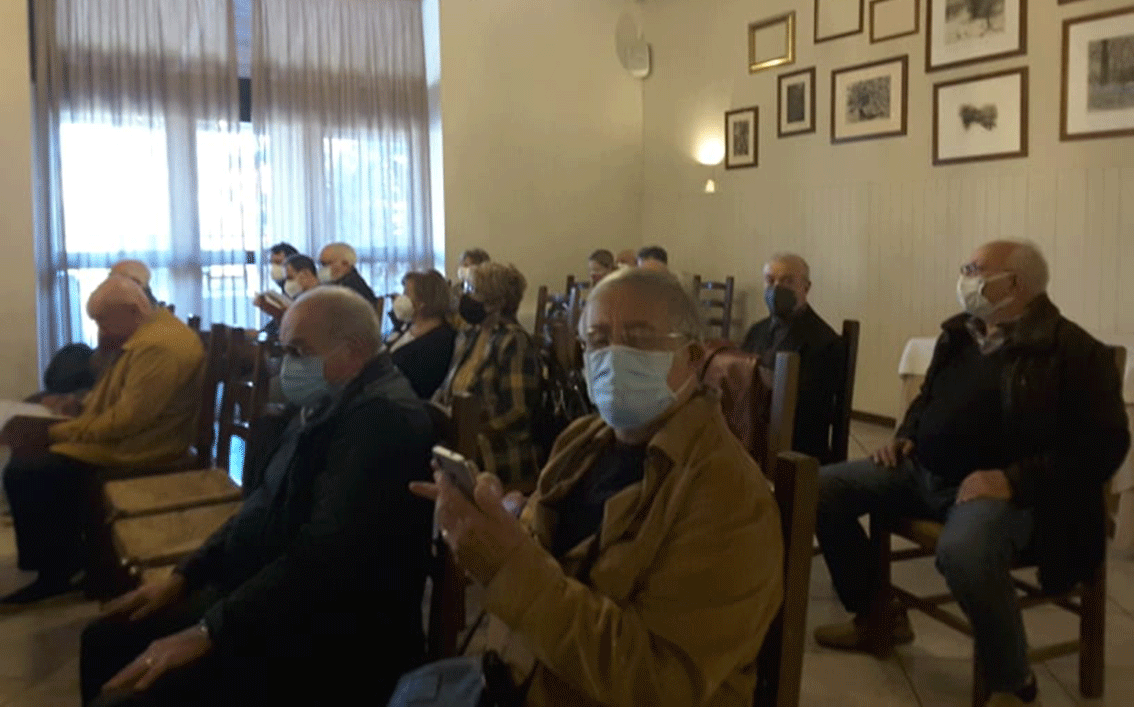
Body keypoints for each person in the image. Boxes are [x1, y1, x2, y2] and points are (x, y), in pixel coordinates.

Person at [413, 267, 784, 706]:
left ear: (691, 356)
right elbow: (543, 549)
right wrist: (497, 520)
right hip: (520, 677)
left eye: (639, 339)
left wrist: (505, 565)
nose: (614, 356)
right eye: (598, 340)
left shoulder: (728, 495)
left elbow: (660, 683)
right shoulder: (583, 440)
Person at [79, 287, 434, 707]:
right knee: (105, 636)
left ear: (354, 350)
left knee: (126, 693)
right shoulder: (330, 398)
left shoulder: (379, 419)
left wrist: (210, 629)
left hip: (332, 635)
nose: (286, 365)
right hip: (272, 593)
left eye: (298, 351)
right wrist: (185, 575)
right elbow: (261, 503)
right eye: (285, 351)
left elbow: (327, 558)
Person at [813, 240, 1129, 707]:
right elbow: (928, 398)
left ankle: (1013, 684)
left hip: (1008, 493)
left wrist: (1014, 480)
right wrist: (906, 435)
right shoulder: (959, 334)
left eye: (975, 269)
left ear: (1015, 283)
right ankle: (877, 615)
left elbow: (1105, 445)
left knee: (965, 552)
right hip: (923, 470)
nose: (964, 278)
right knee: (819, 489)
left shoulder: (1074, 351)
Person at [2, 277, 204, 605]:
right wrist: (78, 405)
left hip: (146, 446)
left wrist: (54, 432)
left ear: (133, 310)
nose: (101, 331)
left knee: (29, 471)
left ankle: (56, 573)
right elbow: (117, 397)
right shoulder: (147, 331)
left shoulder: (159, 347)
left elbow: (126, 421)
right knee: (28, 458)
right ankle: (66, 558)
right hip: (134, 435)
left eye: (103, 322)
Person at [434, 262, 540, 487]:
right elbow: (448, 388)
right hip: (461, 436)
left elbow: (516, 411)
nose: (465, 296)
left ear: (497, 303)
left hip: (496, 450)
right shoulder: (470, 334)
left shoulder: (514, 340)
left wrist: (468, 434)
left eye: (472, 290)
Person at [740, 253, 843, 460]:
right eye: (770, 281)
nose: (776, 288)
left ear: (806, 287)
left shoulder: (824, 341)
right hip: (751, 431)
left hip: (793, 446)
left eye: (787, 281)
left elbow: (810, 411)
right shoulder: (756, 331)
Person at [386, 269, 457, 399]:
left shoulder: (440, 341)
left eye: (406, 293)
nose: (400, 298)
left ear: (422, 302)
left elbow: (418, 387)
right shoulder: (408, 325)